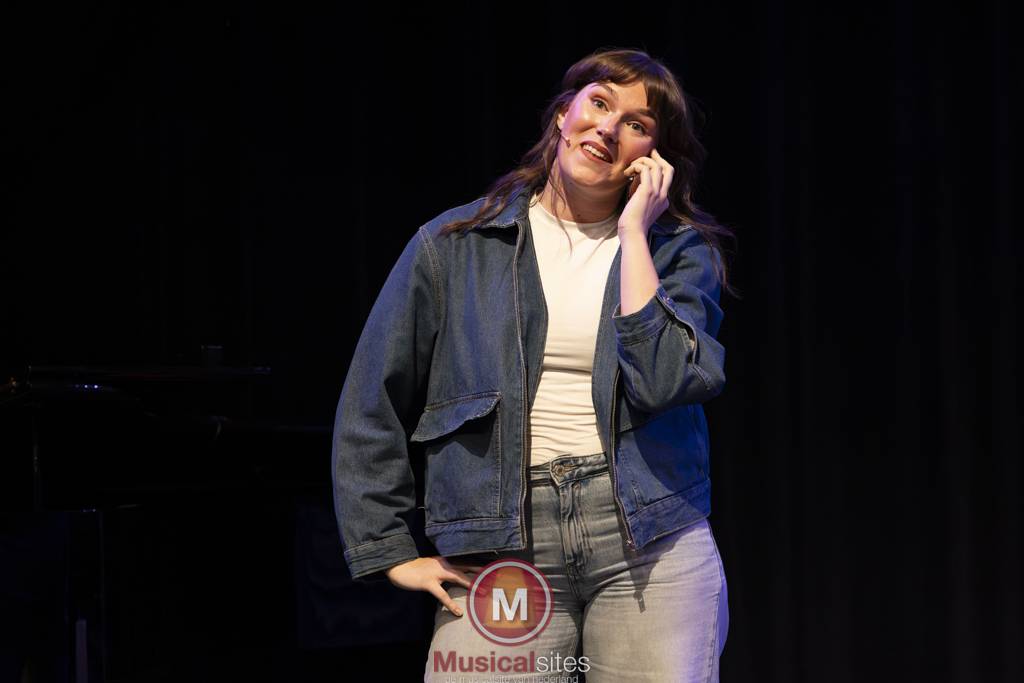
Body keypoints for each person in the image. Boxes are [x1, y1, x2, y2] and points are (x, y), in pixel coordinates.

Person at [331, 47, 737, 682]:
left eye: (636, 124)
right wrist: (387, 547)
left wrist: (635, 233)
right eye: (598, 103)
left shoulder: (679, 254)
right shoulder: (456, 245)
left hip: (649, 539)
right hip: (501, 546)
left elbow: (665, 380)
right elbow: (371, 399)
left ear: (653, 159)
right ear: (562, 114)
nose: (608, 128)